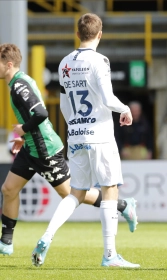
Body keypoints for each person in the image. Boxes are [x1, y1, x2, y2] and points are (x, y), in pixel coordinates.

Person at [0, 43, 138, 257]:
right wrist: (24, 136)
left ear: (8, 64)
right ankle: (5, 243)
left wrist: (23, 129)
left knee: (71, 194)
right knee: (9, 189)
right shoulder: (18, 83)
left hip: (44, 148)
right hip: (31, 146)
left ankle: (122, 205)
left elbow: (41, 114)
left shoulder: (20, 87)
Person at [31, 13, 140, 268]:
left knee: (76, 193)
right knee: (109, 188)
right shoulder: (100, 60)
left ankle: (47, 236)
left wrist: (74, 127)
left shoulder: (64, 63)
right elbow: (106, 96)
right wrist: (124, 109)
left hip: (76, 134)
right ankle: (110, 255)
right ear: (100, 34)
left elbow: (63, 104)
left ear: (78, 34)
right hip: (100, 134)